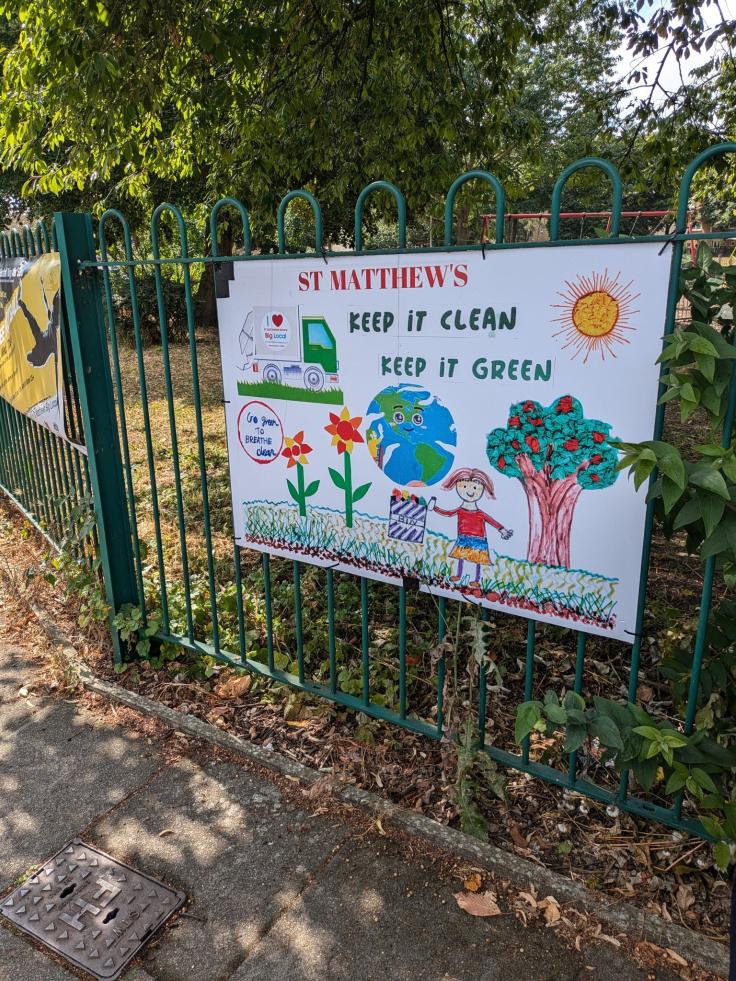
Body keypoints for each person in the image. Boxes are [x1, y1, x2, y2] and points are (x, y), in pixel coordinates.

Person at [429, 467, 512, 587]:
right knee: (461, 557)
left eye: (475, 488)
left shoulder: (480, 513)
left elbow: (492, 521)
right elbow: (448, 513)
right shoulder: (460, 510)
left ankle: (477, 580)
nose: (470, 491)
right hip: (463, 537)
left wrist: (502, 530)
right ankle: (459, 575)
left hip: (479, 539)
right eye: (464, 486)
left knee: (477, 559)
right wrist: (434, 508)